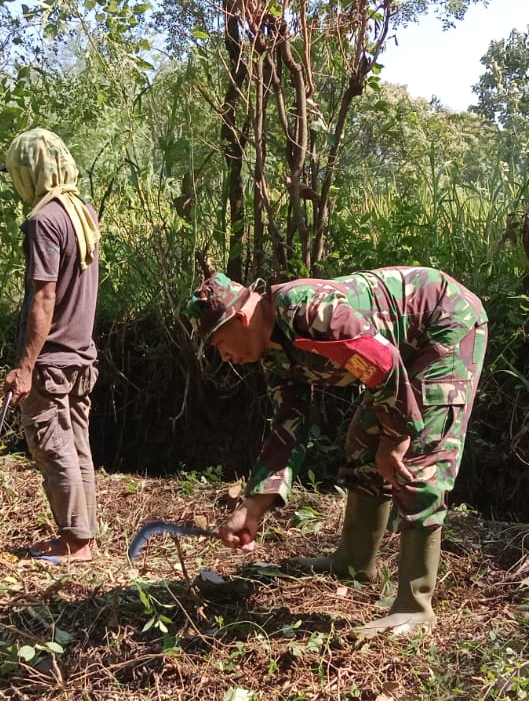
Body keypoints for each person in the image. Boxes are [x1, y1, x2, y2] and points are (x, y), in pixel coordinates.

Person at [187, 266, 488, 635]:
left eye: (219, 342)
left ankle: (414, 605)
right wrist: (253, 506)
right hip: (396, 353)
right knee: (362, 446)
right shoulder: (272, 351)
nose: (224, 355)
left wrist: (394, 439)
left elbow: (384, 363)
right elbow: (289, 425)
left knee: (418, 461)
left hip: (444, 322)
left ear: (243, 316)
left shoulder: (309, 311)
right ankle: (355, 561)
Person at [3, 128, 102, 563]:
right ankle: (83, 537)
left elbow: (44, 297)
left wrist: (25, 366)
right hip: (81, 355)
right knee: (76, 444)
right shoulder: (83, 212)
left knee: (51, 445)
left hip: (53, 359)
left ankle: (75, 543)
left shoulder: (44, 221)